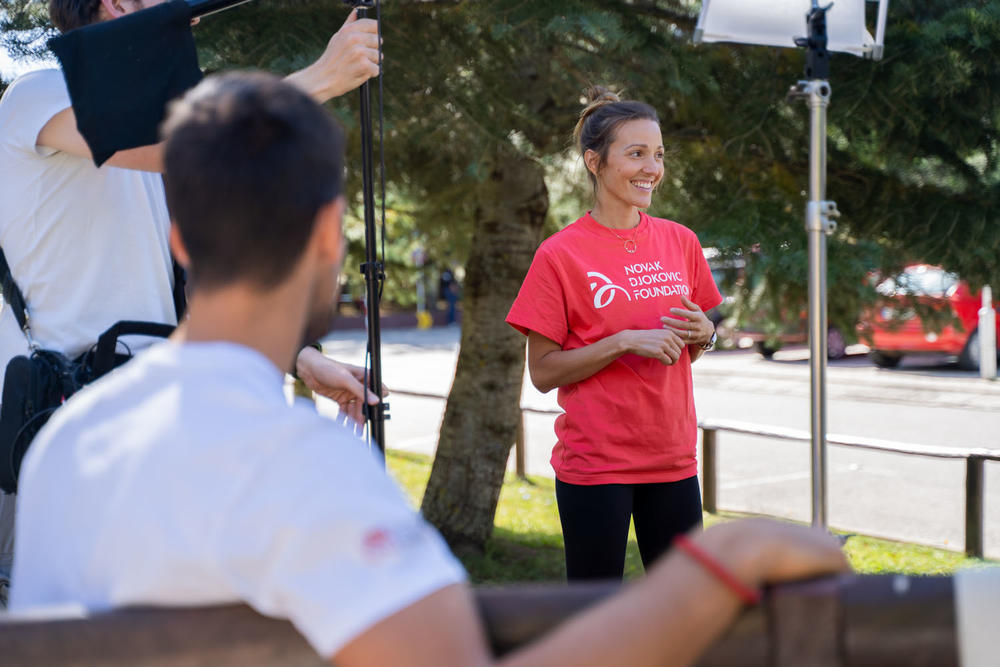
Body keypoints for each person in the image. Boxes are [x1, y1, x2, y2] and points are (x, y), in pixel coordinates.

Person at [9, 71, 848, 667]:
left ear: (181, 239)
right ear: (331, 236)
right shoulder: (303, 464)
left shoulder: (66, 444)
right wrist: (719, 571)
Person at [0, 0, 381, 603]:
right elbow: (191, 147)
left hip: (161, 414)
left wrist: (300, 360)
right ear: (118, 5)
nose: (192, 14)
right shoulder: (38, 93)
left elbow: (188, 289)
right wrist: (316, 80)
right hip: (76, 425)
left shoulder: (155, 129)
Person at [506, 87, 723, 581]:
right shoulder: (559, 255)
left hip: (672, 458)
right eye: (637, 153)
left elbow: (690, 350)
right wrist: (622, 341)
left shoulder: (680, 241)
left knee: (686, 608)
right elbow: (542, 373)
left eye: (659, 154)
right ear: (594, 161)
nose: (652, 167)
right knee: (596, 610)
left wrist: (704, 333)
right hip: (597, 465)